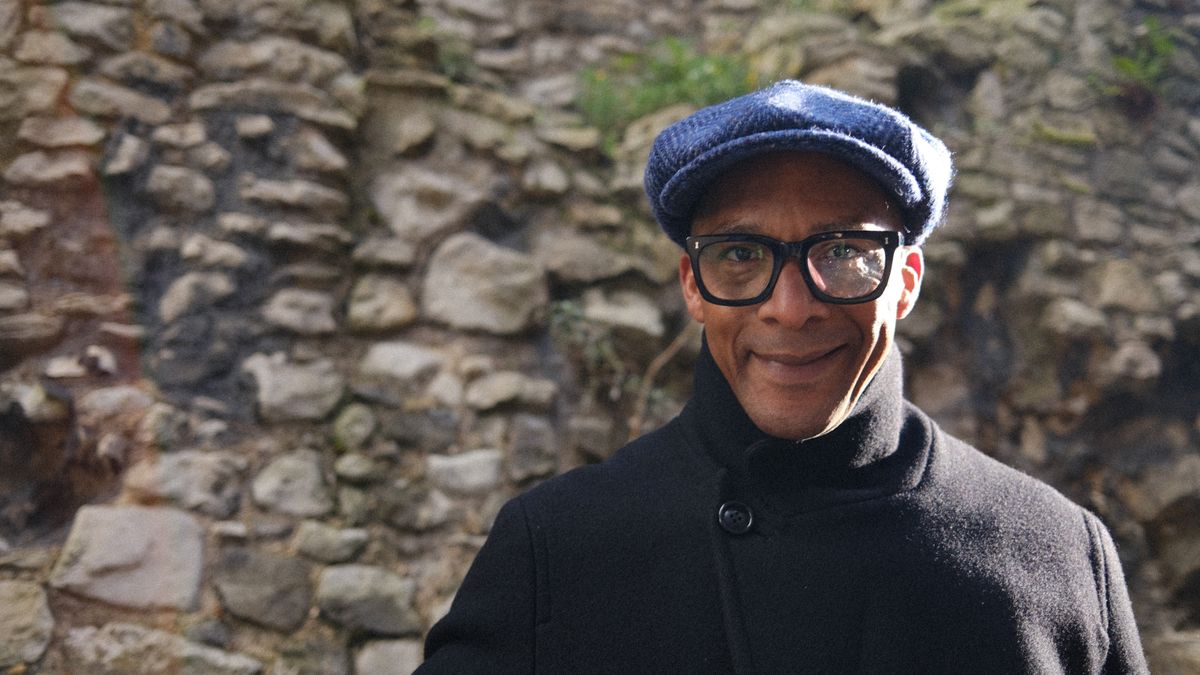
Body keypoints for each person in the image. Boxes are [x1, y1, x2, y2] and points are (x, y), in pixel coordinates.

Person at [416, 80, 1148, 673]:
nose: (790, 308)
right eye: (740, 254)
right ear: (692, 284)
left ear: (906, 281)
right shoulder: (557, 550)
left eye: (842, 252)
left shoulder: (1057, 556)